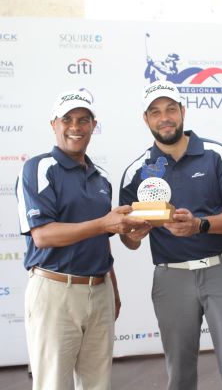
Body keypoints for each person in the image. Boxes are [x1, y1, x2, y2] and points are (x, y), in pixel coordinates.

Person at [119, 80, 222, 390]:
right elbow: (128, 238)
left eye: (170, 109)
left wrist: (200, 225)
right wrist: (135, 234)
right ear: (146, 119)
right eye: (155, 112)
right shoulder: (137, 170)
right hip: (172, 277)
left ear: (183, 111)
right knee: (178, 374)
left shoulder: (216, 154)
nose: (164, 117)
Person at [16, 88, 140, 390]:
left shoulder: (101, 177)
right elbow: (43, 235)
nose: (76, 127)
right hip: (55, 291)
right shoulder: (38, 168)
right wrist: (103, 223)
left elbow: (102, 239)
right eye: (67, 119)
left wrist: (113, 287)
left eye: (84, 120)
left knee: (98, 384)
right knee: (53, 385)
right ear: (53, 125)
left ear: (93, 126)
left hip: (99, 291)